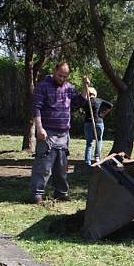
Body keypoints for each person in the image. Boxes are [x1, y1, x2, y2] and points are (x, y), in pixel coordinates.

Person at [30, 62, 89, 204]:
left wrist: (85, 90)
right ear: (54, 70)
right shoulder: (43, 86)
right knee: (43, 166)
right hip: (47, 132)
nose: (61, 78)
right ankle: (36, 194)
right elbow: (36, 108)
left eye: (64, 76)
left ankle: (61, 192)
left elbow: (76, 104)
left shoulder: (69, 88)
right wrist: (39, 128)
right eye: (59, 75)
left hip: (64, 133)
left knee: (62, 167)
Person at [83, 87, 113, 166]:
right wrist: (102, 114)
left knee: (89, 142)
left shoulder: (85, 101)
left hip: (88, 123)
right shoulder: (98, 100)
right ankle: (97, 157)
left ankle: (88, 161)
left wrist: (102, 114)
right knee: (99, 140)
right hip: (98, 122)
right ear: (94, 94)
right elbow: (110, 105)